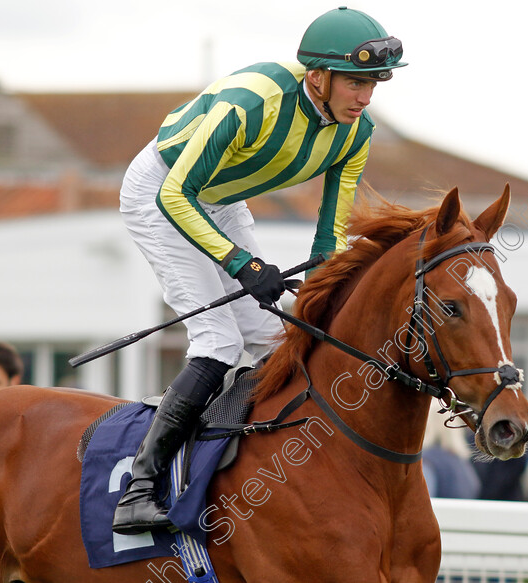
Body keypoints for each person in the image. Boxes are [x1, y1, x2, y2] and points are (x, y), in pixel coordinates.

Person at [112, 6, 406, 534]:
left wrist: (327, 291)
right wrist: (243, 265)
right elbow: (175, 194)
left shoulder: (355, 133)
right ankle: (140, 486)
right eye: (356, 83)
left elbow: (329, 240)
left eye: (373, 85)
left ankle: (245, 462)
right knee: (219, 341)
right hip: (162, 192)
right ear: (318, 76)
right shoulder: (253, 101)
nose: (365, 98)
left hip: (223, 200)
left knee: (277, 334)